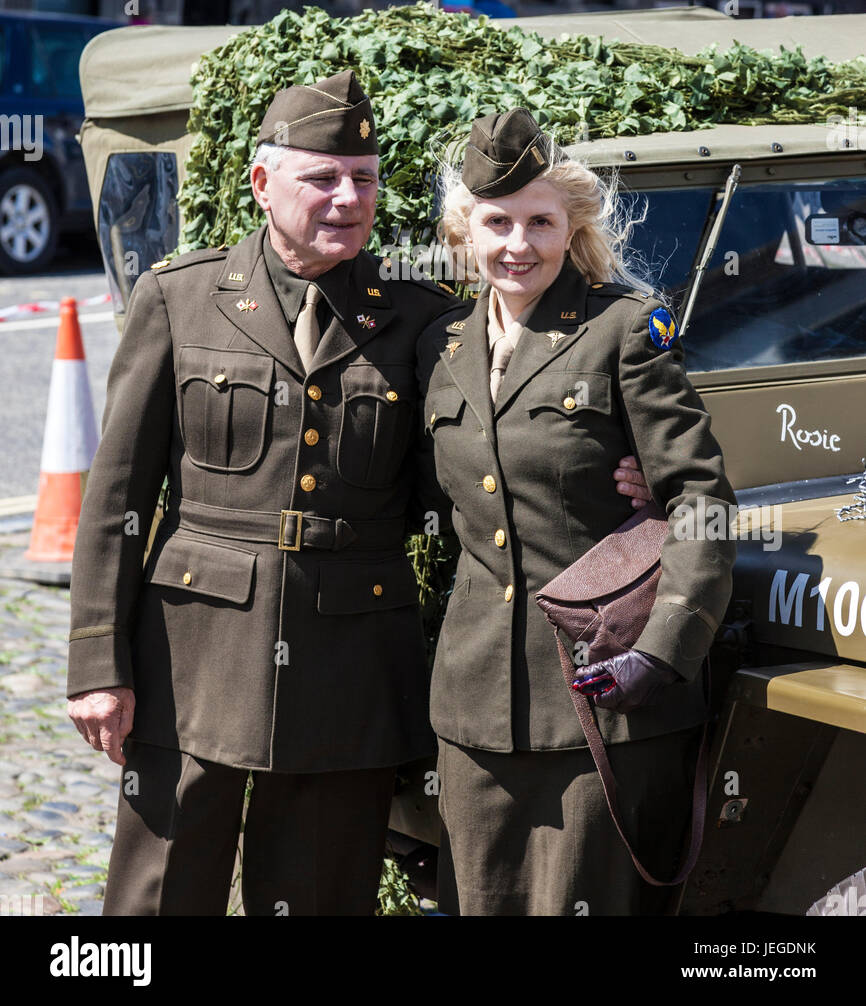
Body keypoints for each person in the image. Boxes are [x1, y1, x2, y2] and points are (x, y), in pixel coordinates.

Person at [66, 70, 652, 917]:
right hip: (188, 660)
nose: (348, 198)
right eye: (323, 178)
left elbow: (482, 462)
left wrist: (621, 481)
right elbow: (116, 491)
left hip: (347, 671)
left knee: (320, 898)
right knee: (156, 900)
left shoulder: (424, 321)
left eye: (365, 179)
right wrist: (98, 664)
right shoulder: (181, 298)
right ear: (264, 184)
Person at [416, 107, 737, 916]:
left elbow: (702, 501)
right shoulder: (440, 347)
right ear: (466, 230)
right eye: (496, 222)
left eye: (539, 222)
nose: (517, 245)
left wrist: (664, 651)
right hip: (476, 710)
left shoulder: (623, 332)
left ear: (572, 226)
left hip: (607, 698)